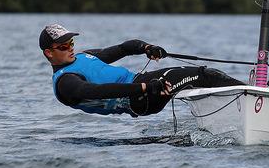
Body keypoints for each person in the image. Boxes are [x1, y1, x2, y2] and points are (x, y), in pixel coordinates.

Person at [40, 24, 245, 117]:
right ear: (49, 53)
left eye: (71, 42)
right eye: (64, 46)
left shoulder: (84, 56)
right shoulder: (64, 82)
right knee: (203, 75)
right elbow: (96, 91)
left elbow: (124, 48)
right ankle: (251, 96)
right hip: (139, 99)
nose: (71, 49)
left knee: (205, 77)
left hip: (144, 83)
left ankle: (244, 100)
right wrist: (145, 88)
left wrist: (148, 48)